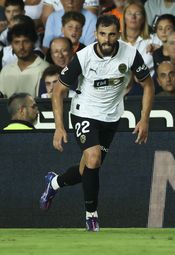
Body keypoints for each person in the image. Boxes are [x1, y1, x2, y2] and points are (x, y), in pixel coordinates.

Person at [39, 14, 155, 232]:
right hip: (84, 112)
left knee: (87, 169)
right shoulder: (83, 57)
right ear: (95, 34)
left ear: (118, 35)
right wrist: (59, 125)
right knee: (93, 158)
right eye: (102, 34)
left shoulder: (130, 53)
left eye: (111, 34)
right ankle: (91, 217)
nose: (107, 39)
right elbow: (59, 91)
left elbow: (148, 85)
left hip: (111, 118)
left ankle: (54, 183)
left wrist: (144, 118)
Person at [120, 0, 161, 95]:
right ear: (124, 17)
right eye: (129, 13)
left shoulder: (154, 40)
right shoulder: (116, 41)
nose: (133, 17)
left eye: (137, 14)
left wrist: (160, 51)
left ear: (143, 18)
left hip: (147, 88)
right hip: (120, 89)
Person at [0, 23, 50, 98]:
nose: (21, 47)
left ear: (34, 43)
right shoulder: (6, 70)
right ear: (11, 45)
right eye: (17, 42)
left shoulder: (44, 68)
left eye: (26, 42)